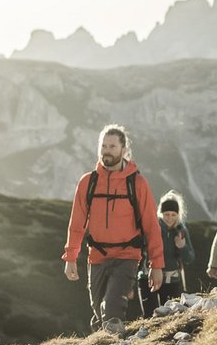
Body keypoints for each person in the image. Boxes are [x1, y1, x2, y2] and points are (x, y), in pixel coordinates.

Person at [62, 123, 163, 333]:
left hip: (127, 256)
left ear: (124, 150)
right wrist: (71, 257)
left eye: (112, 146)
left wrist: (157, 264)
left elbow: (151, 226)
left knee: (112, 308)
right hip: (97, 257)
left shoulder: (137, 183)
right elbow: (77, 223)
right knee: (99, 315)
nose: (106, 151)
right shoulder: (87, 183)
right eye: (103, 146)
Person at [150, 190, 196, 313]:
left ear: (178, 215)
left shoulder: (181, 231)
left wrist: (182, 247)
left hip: (173, 280)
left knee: (171, 314)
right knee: (151, 314)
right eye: (166, 214)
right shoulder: (154, 229)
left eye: (173, 215)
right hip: (152, 277)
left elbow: (190, 258)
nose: (169, 218)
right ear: (161, 213)